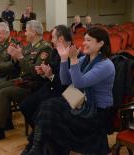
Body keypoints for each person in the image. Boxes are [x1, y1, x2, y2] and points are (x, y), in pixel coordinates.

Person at [24, 26, 115, 155]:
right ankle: (37, 147)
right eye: (84, 40)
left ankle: (37, 148)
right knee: (47, 106)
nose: (84, 43)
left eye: (88, 40)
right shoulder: (85, 60)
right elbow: (65, 80)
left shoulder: (106, 65)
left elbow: (79, 82)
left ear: (100, 43)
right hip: (81, 101)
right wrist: (64, 59)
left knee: (50, 108)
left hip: (98, 110)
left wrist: (73, 59)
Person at [0, 20, 53, 144]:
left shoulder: (45, 47)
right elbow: (20, 65)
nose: (24, 33)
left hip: (33, 85)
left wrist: (19, 57)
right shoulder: (29, 46)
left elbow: (35, 73)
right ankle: (5, 122)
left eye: (26, 31)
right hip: (22, 80)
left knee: (4, 92)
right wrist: (14, 56)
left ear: (34, 32)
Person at [19, 25, 72, 155]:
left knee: (40, 110)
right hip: (50, 87)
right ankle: (44, 139)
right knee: (25, 105)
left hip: (64, 93)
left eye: (53, 37)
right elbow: (51, 71)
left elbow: (66, 84)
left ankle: (38, 143)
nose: (51, 40)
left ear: (60, 39)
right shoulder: (55, 51)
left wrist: (50, 75)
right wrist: (43, 73)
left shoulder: (72, 53)